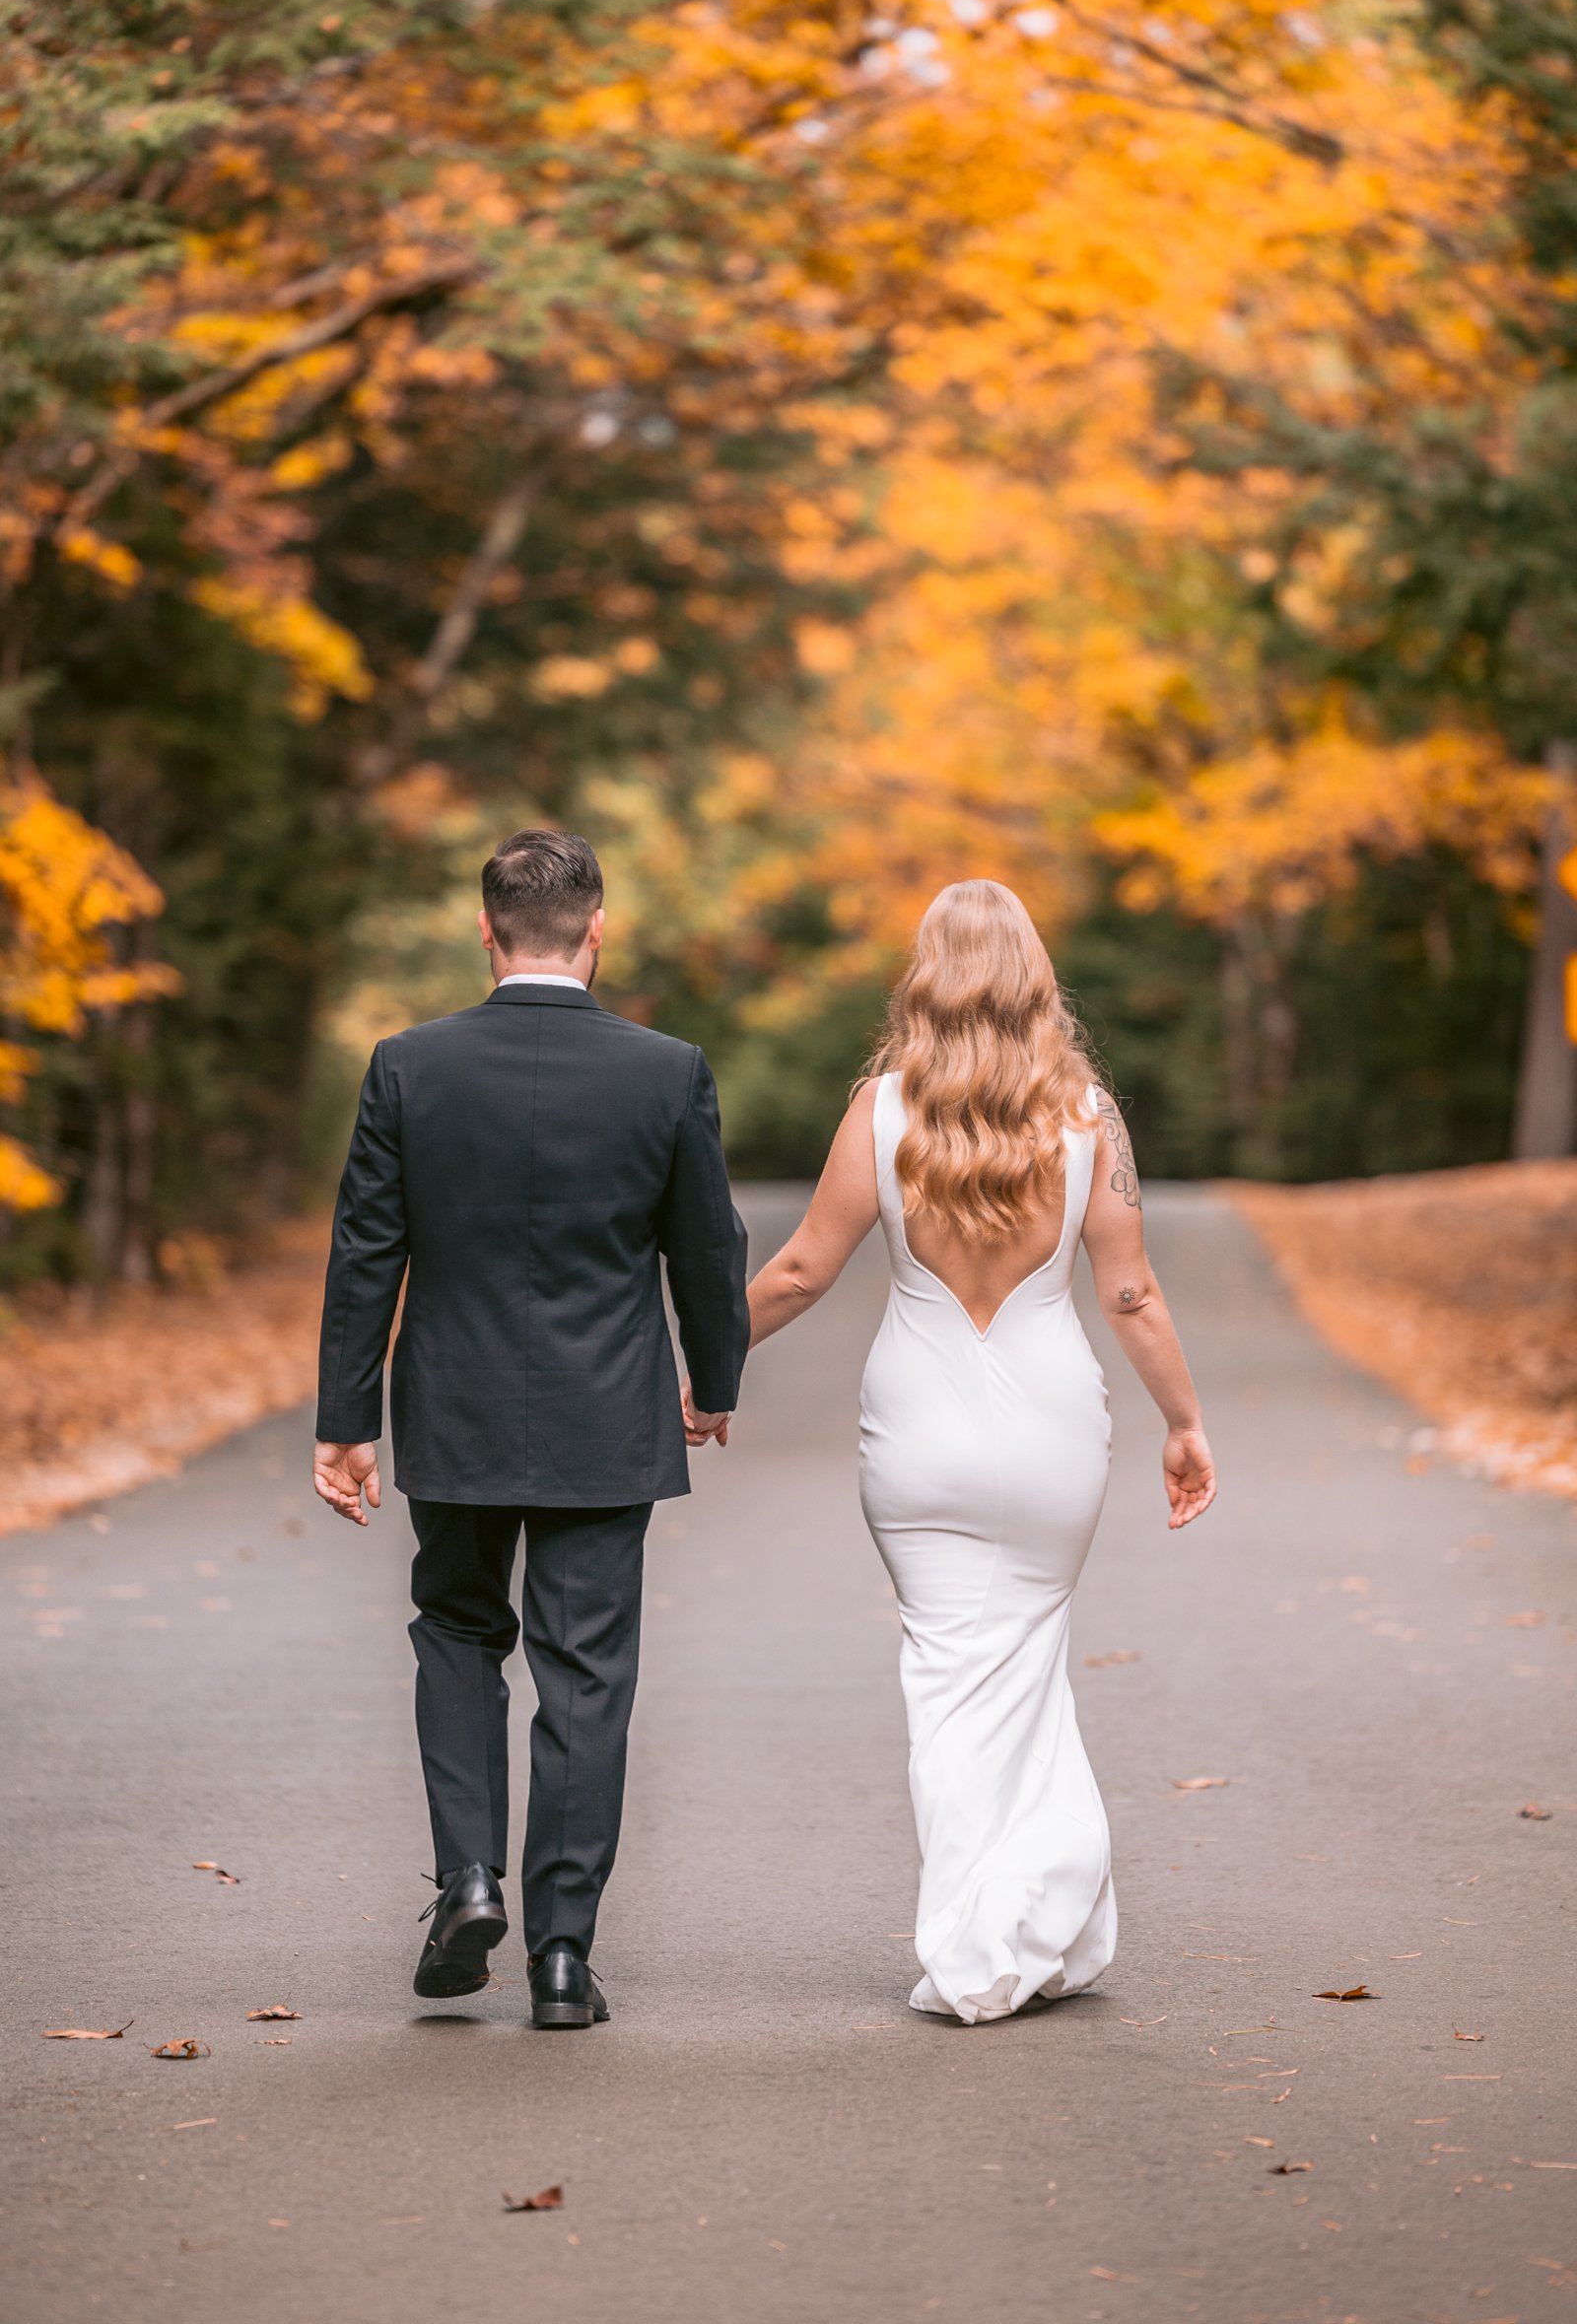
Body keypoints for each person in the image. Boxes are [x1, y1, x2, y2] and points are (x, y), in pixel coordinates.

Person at [734, 879, 1215, 2023]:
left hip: (919, 1431)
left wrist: (694, 1369)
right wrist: (1184, 1422)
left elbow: (800, 1270)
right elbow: (1132, 1291)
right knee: (1026, 1656)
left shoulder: (881, 1110)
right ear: (1034, 980)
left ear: (926, 978)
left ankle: (984, 1942)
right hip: (1051, 1427)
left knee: (952, 1676)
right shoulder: (1088, 1114)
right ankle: (1029, 1924)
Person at [312, 829, 749, 2027]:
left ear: (486, 929)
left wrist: (346, 1420)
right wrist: (714, 1381)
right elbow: (708, 1250)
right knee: (586, 1676)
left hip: (451, 1410)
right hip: (606, 1417)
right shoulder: (666, 1071)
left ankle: (465, 1879)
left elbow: (367, 1253)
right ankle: (562, 1958)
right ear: (596, 928)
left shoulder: (410, 1066)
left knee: (456, 1633)